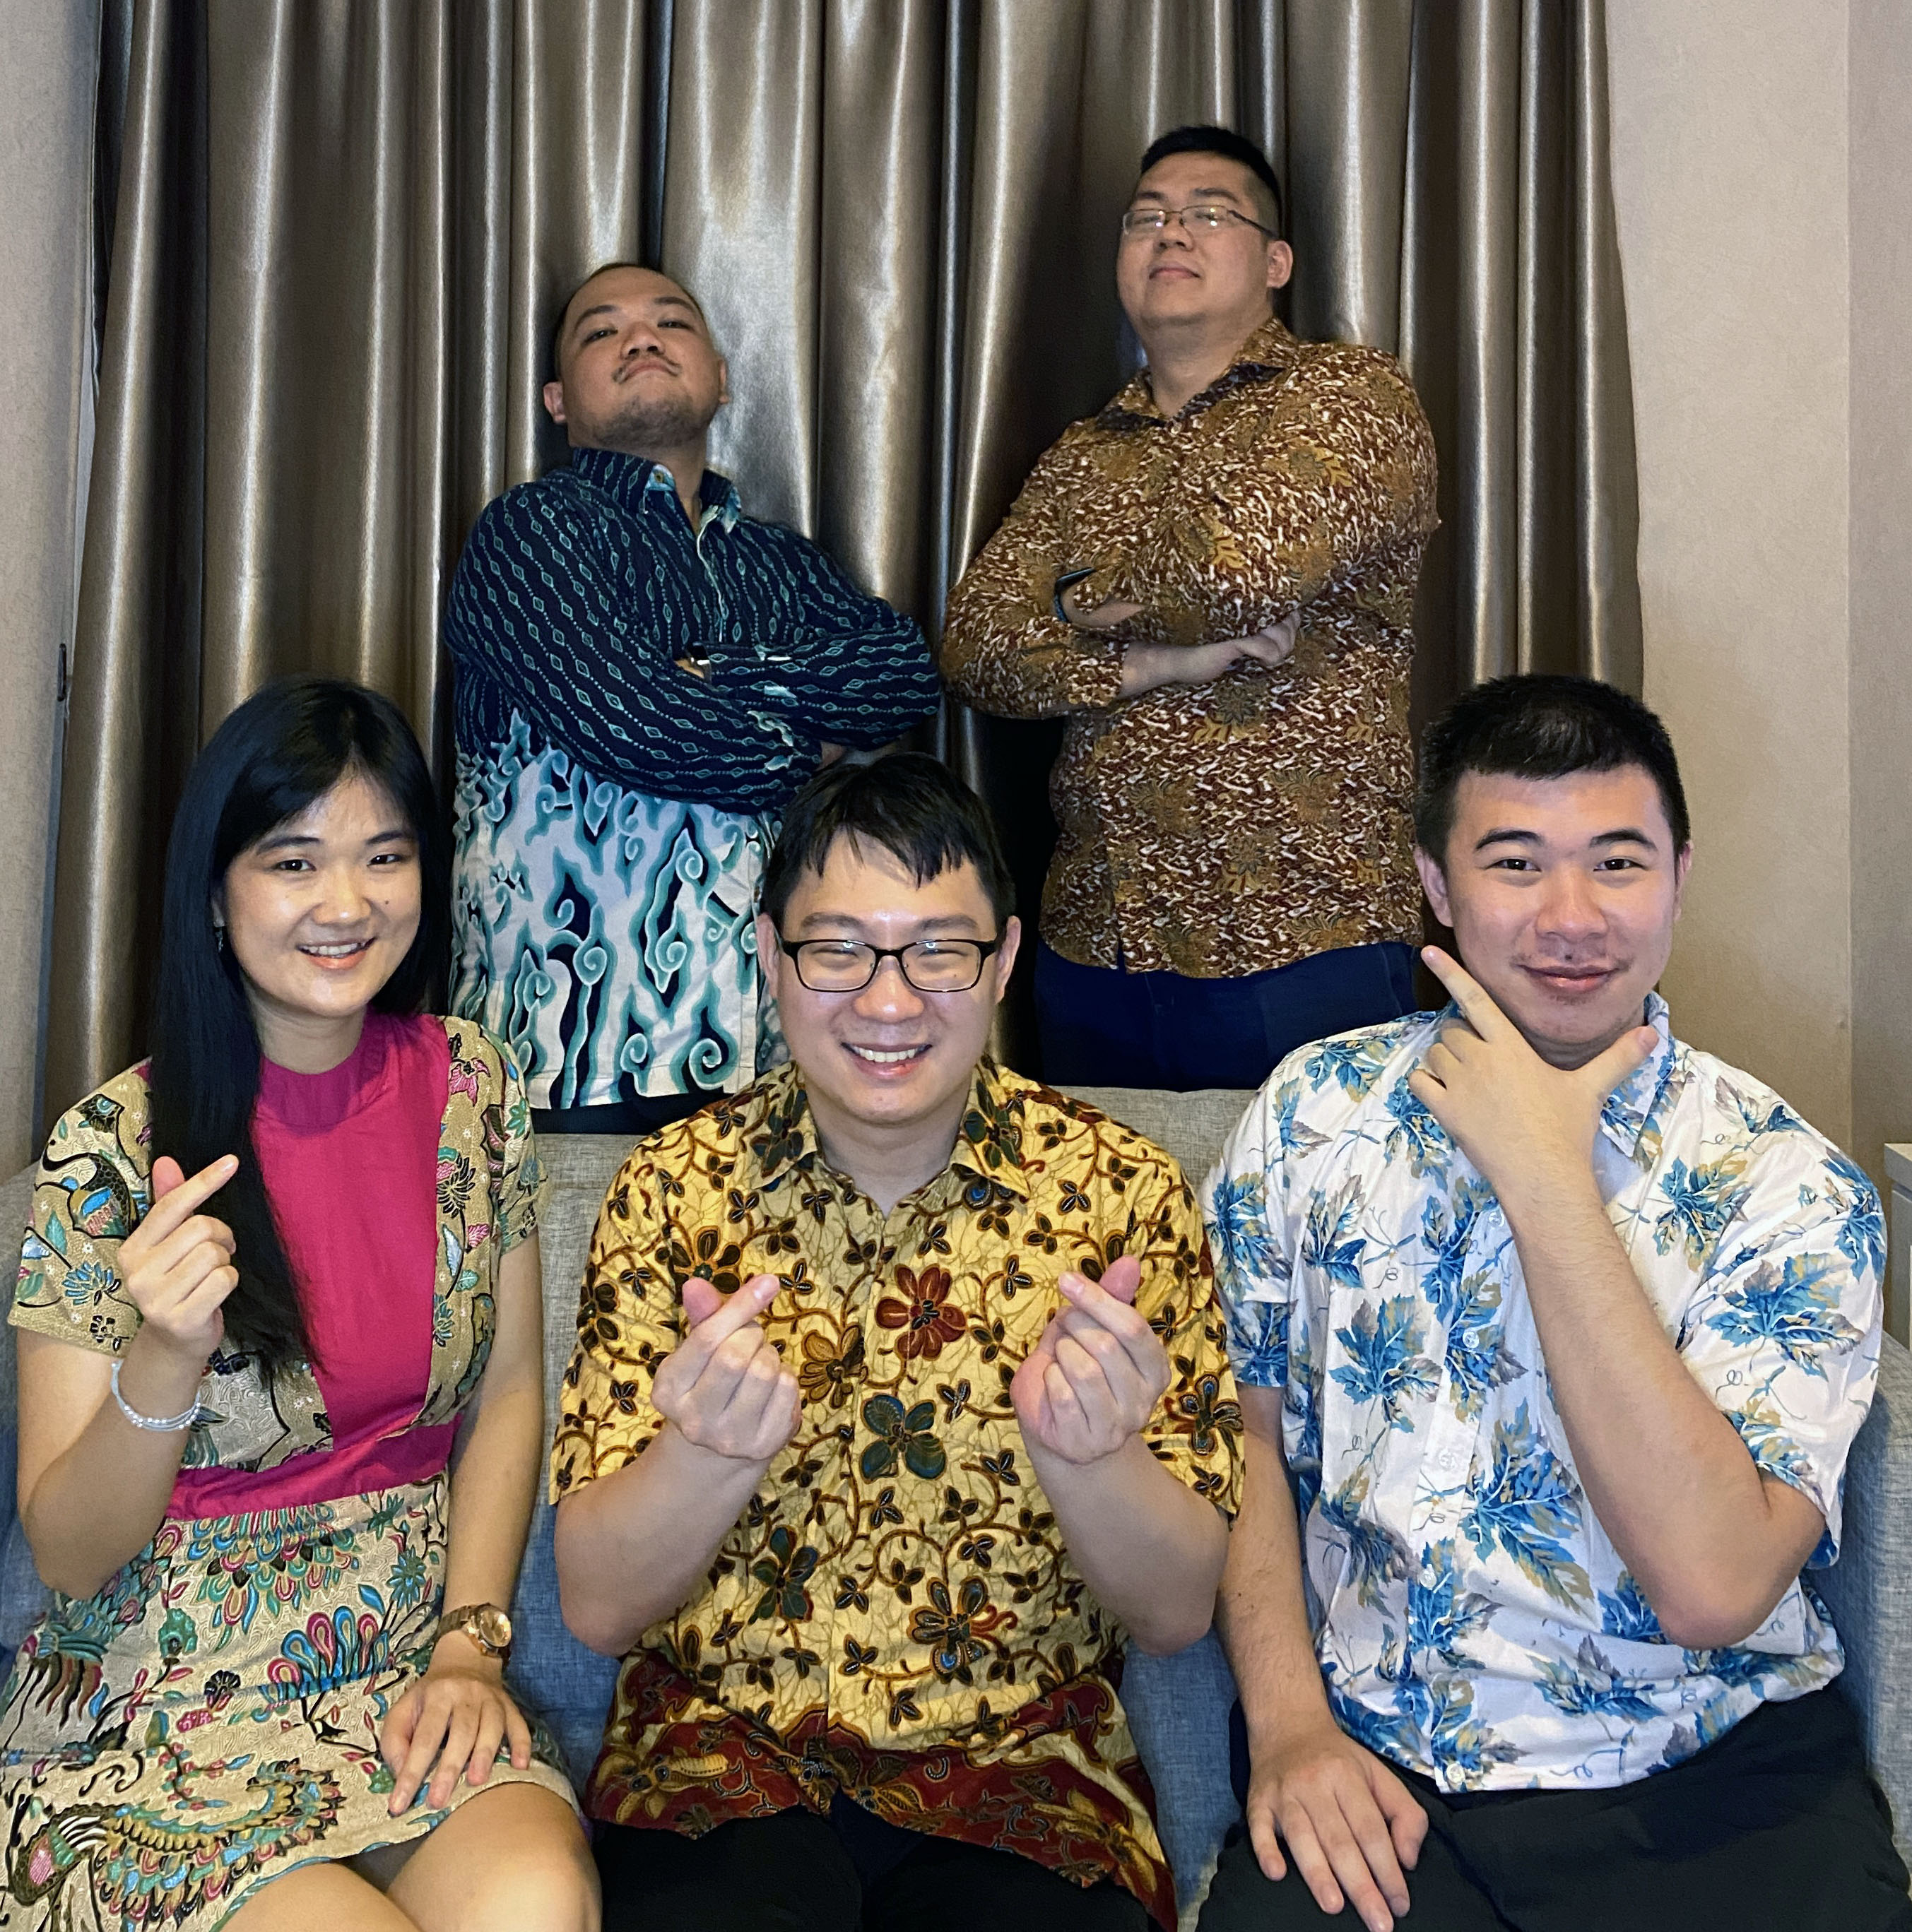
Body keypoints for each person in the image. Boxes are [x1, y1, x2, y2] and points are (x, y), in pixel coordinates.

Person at [1199, 672, 1906, 1932]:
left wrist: (1544, 1176)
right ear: (1436, 883)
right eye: (1515, 863)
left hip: (1711, 1770)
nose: (1571, 918)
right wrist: (1290, 1724)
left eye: (1616, 862)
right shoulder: (1311, 1113)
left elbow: (1712, 1585)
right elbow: (1244, 1436)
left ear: (1678, 877)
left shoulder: (1785, 1184)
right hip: (1382, 1772)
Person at [548, 752, 1242, 1931]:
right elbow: (599, 1607)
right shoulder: (672, 1191)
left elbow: (1175, 1612)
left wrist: (1092, 1458)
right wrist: (702, 1458)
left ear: (1003, 960)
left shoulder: (1122, 1194)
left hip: (1024, 1779)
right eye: (838, 951)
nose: (887, 1002)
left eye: (937, 951)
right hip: (719, 1769)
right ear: (770, 956)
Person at [0, 677, 596, 1932]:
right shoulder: (109, 1149)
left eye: (385, 855)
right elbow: (66, 1551)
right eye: (294, 861)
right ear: (217, 895)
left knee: (538, 1901)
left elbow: (505, 1396)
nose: (347, 903)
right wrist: (164, 1357)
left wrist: (470, 1642)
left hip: (403, 1675)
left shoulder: (477, 1091)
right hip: (154, 1711)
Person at [941, 124, 1437, 1094]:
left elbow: (1236, 575)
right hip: (1099, 943)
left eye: (1209, 214)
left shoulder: (1348, 395)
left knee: (1312, 1199)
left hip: (1302, 931)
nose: (1171, 232)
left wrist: (1073, 599)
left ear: (1275, 261)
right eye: (1147, 219)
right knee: (1109, 1203)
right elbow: (974, 647)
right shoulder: (1085, 452)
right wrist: (1154, 661)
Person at [445, 264, 942, 1128]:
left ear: (720, 376)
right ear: (557, 400)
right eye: (602, 330)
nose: (640, 338)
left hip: (783, 1059)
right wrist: (813, 741)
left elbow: (903, 672)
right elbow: (639, 724)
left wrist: (713, 673)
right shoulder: (529, 530)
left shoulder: (781, 561)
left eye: (670, 322)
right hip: (570, 1059)